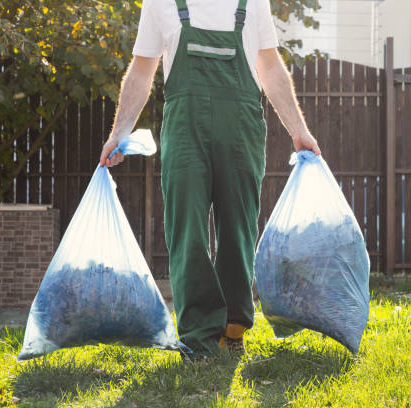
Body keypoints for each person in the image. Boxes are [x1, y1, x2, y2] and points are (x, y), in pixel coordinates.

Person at [99, 0, 321, 362]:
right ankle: (198, 336)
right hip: (185, 130)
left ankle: (233, 328)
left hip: (241, 129)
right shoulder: (162, 3)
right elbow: (142, 69)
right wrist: (118, 132)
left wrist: (299, 130)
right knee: (187, 229)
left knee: (239, 228)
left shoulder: (252, 3)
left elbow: (268, 65)